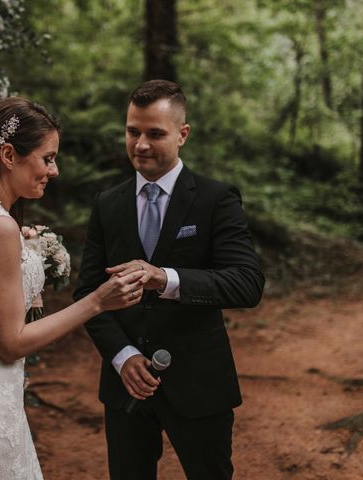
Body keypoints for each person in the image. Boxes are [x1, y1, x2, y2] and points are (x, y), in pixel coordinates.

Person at [0, 96, 147, 480]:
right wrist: (97, 301)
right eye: (47, 157)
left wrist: (4, 290)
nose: (54, 170)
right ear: (8, 155)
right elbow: (11, 344)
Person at [73, 80, 265, 480]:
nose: (140, 144)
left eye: (155, 133)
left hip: (198, 382)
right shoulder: (108, 204)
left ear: (183, 134)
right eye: (132, 131)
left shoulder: (216, 199)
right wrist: (122, 357)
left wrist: (165, 279)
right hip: (125, 384)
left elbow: (247, 283)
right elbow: (88, 294)